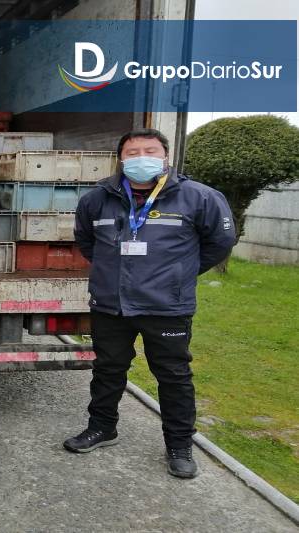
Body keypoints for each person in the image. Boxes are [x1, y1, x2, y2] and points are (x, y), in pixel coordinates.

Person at [66, 128, 236, 478]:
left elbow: (219, 243)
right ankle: (102, 428)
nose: (141, 156)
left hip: (166, 306)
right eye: (132, 151)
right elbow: (87, 242)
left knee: (173, 377)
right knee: (108, 371)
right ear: (121, 158)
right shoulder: (97, 198)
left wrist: (179, 273)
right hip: (110, 305)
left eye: (150, 150)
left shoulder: (199, 197)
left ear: (165, 157)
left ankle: (179, 446)